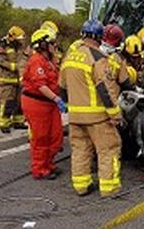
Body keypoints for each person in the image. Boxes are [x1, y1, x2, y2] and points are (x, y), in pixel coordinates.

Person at [59, 20, 127, 197]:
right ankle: (109, 188)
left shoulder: (69, 57)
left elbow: (62, 87)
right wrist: (115, 114)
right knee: (108, 149)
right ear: (98, 37)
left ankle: (82, 186)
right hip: (97, 117)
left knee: (80, 150)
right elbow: (104, 89)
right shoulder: (97, 57)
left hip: (75, 116)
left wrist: (71, 106)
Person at [20, 29, 65, 180]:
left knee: (56, 136)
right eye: (51, 43)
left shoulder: (49, 60)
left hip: (50, 103)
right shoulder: (36, 61)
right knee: (41, 137)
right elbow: (41, 86)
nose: (54, 45)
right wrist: (56, 99)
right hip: (37, 103)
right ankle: (40, 169)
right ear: (43, 45)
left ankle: (49, 164)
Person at [0, 26, 27, 133]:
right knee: (7, 103)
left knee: (19, 103)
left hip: (18, 80)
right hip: (7, 81)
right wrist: (14, 66)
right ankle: (4, 124)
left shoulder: (19, 47)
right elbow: (0, 61)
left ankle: (18, 122)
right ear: (12, 37)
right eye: (18, 38)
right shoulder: (3, 47)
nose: (20, 41)